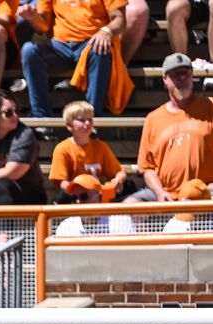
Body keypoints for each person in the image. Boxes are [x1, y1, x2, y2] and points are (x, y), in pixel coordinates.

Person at [18, 0, 124, 120]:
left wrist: (106, 31)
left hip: (91, 44)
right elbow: (43, 27)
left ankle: (91, 119)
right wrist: (33, 17)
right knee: (29, 50)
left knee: (100, 48)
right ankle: (41, 118)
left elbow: (120, 20)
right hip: (60, 46)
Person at [137, 54, 213, 202]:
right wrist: (159, 192)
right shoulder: (153, 118)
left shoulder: (210, 107)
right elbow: (147, 168)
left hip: (205, 193)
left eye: (186, 73)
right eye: (176, 75)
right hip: (166, 194)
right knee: (129, 207)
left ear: (192, 76)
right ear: (165, 79)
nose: (182, 78)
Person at [49, 101, 128, 202]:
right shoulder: (62, 149)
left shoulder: (100, 146)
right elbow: (60, 181)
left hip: (98, 196)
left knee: (128, 186)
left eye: (90, 119)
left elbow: (119, 172)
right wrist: (80, 191)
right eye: (82, 120)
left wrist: (117, 181)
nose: (87, 123)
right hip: (77, 197)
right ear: (69, 125)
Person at [53, 174, 135, 234]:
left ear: (99, 198)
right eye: (74, 198)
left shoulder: (121, 222)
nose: (78, 201)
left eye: (83, 196)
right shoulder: (65, 227)